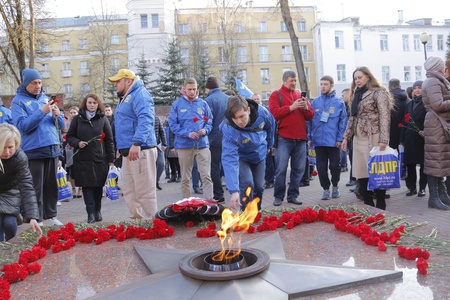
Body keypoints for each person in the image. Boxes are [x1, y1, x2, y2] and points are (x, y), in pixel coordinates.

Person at [11, 68, 65, 226]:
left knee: (51, 185)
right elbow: (22, 126)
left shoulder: (45, 99)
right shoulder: (18, 101)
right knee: (36, 186)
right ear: (26, 84)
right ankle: (37, 218)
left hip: (52, 148)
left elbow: (60, 126)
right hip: (33, 150)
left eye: (40, 82)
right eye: (34, 83)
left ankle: (51, 214)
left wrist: (57, 116)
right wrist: (41, 112)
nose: (38, 86)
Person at [108, 69, 158, 219]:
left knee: (144, 191)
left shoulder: (140, 94)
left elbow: (146, 119)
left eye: (118, 81)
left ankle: (152, 222)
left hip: (140, 149)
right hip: (129, 151)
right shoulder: (127, 97)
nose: (115, 84)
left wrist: (137, 142)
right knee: (129, 190)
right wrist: (120, 147)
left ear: (128, 81)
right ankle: (137, 221)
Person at [341, 66, 392, 210]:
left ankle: (381, 201)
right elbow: (352, 117)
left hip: (374, 134)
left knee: (377, 169)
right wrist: (346, 137)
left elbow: (385, 116)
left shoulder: (378, 93)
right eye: (355, 78)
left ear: (368, 77)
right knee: (360, 169)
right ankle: (368, 201)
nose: (357, 80)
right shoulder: (355, 94)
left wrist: (384, 139)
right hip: (358, 136)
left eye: (360, 77)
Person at [66, 94, 115, 223]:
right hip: (83, 159)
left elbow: (109, 140)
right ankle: (90, 214)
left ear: (98, 104)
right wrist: (78, 143)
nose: (92, 105)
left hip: (100, 158)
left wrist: (111, 159)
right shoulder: (77, 119)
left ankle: (98, 211)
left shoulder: (103, 119)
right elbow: (69, 136)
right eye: (89, 102)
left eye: (94, 103)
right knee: (87, 187)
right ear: (85, 104)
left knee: (98, 186)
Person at [221, 95, 275, 210]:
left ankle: (256, 211)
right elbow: (229, 158)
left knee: (259, 187)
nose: (239, 121)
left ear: (248, 111)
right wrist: (234, 190)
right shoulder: (229, 128)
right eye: (235, 118)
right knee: (247, 183)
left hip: (260, 154)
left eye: (242, 116)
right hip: (242, 157)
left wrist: (269, 144)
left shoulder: (263, 113)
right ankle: (245, 213)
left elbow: (270, 127)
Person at [269, 70, 314, 206]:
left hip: (300, 138)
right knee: (281, 169)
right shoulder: (276, 95)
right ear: (284, 81)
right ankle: (278, 196)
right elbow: (274, 113)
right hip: (284, 138)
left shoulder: (300, 95)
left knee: (299, 169)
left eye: (295, 81)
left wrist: (306, 107)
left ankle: (293, 195)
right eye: (291, 81)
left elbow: (310, 116)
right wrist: (291, 107)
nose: (293, 83)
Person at [168, 78, 213, 200]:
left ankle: (209, 203)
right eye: (189, 89)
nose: (192, 92)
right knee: (185, 178)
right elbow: (172, 124)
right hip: (184, 146)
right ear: (184, 89)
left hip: (202, 145)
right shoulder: (177, 104)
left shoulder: (203, 104)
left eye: (194, 89)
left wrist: (205, 130)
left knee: (206, 176)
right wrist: (187, 133)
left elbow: (209, 121)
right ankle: (186, 204)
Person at [0, 124, 42, 241]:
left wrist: (33, 217)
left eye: (10, 147)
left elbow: (26, 185)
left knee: (9, 223)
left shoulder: (20, 158)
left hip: (11, 191)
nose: (7, 152)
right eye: (3, 147)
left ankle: (10, 246)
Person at [308, 75, 347, 200]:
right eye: (321, 84)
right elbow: (310, 121)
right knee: (321, 167)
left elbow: (343, 122)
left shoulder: (338, 102)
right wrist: (309, 137)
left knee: (335, 166)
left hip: (333, 141)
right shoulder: (315, 102)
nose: (323, 86)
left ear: (331, 85)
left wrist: (339, 139)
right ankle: (325, 189)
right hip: (319, 141)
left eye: (325, 84)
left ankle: (335, 186)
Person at [421, 56, 450, 210]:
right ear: (438, 67)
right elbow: (438, 104)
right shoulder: (433, 81)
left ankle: (442, 195)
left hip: (439, 124)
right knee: (435, 161)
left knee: (441, 160)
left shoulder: (436, 80)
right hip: (436, 125)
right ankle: (433, 197)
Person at [400, 81, 427, 197]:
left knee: (423, 164)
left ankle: (422, 188)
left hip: (422, 138)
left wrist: (426, 131)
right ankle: (412, 188)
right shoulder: (409, 104)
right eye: (415, 88)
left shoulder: (427, 103)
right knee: (410, 164)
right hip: (410, 138)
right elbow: (404, 121)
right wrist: (402, 138)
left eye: (419, 88)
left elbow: (431, 121)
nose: (417, 90)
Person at [204, 76, 228, 202]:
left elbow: (207, 121)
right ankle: (234, 189)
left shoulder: (208, 100)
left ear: (208, 88)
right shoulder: (228, 99)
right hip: (229, 138)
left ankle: (219, 194)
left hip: (214, 139)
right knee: (229, 164)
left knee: (214, 167)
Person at [341, 88, 357, 187]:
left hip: (354, 136)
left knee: (354, 158)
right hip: (350, 136)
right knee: (352, 157)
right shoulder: (346, 107)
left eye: (343, 95)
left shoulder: (351, 107)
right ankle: (354, 178)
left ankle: (354, 179)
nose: (342, 97)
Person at [388, 78, 408, 151]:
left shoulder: (387, 98)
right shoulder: (407, 98)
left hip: (390, 130)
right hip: (405, 129)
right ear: (400, 86)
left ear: (389, 87)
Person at [154, 116, 167, 190]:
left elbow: (162, 131)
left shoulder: (157, 119)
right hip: (149, 147)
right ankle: (152, 183)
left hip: (158, 146)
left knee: (161, 164)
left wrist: (164, 143)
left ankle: (156, 181)